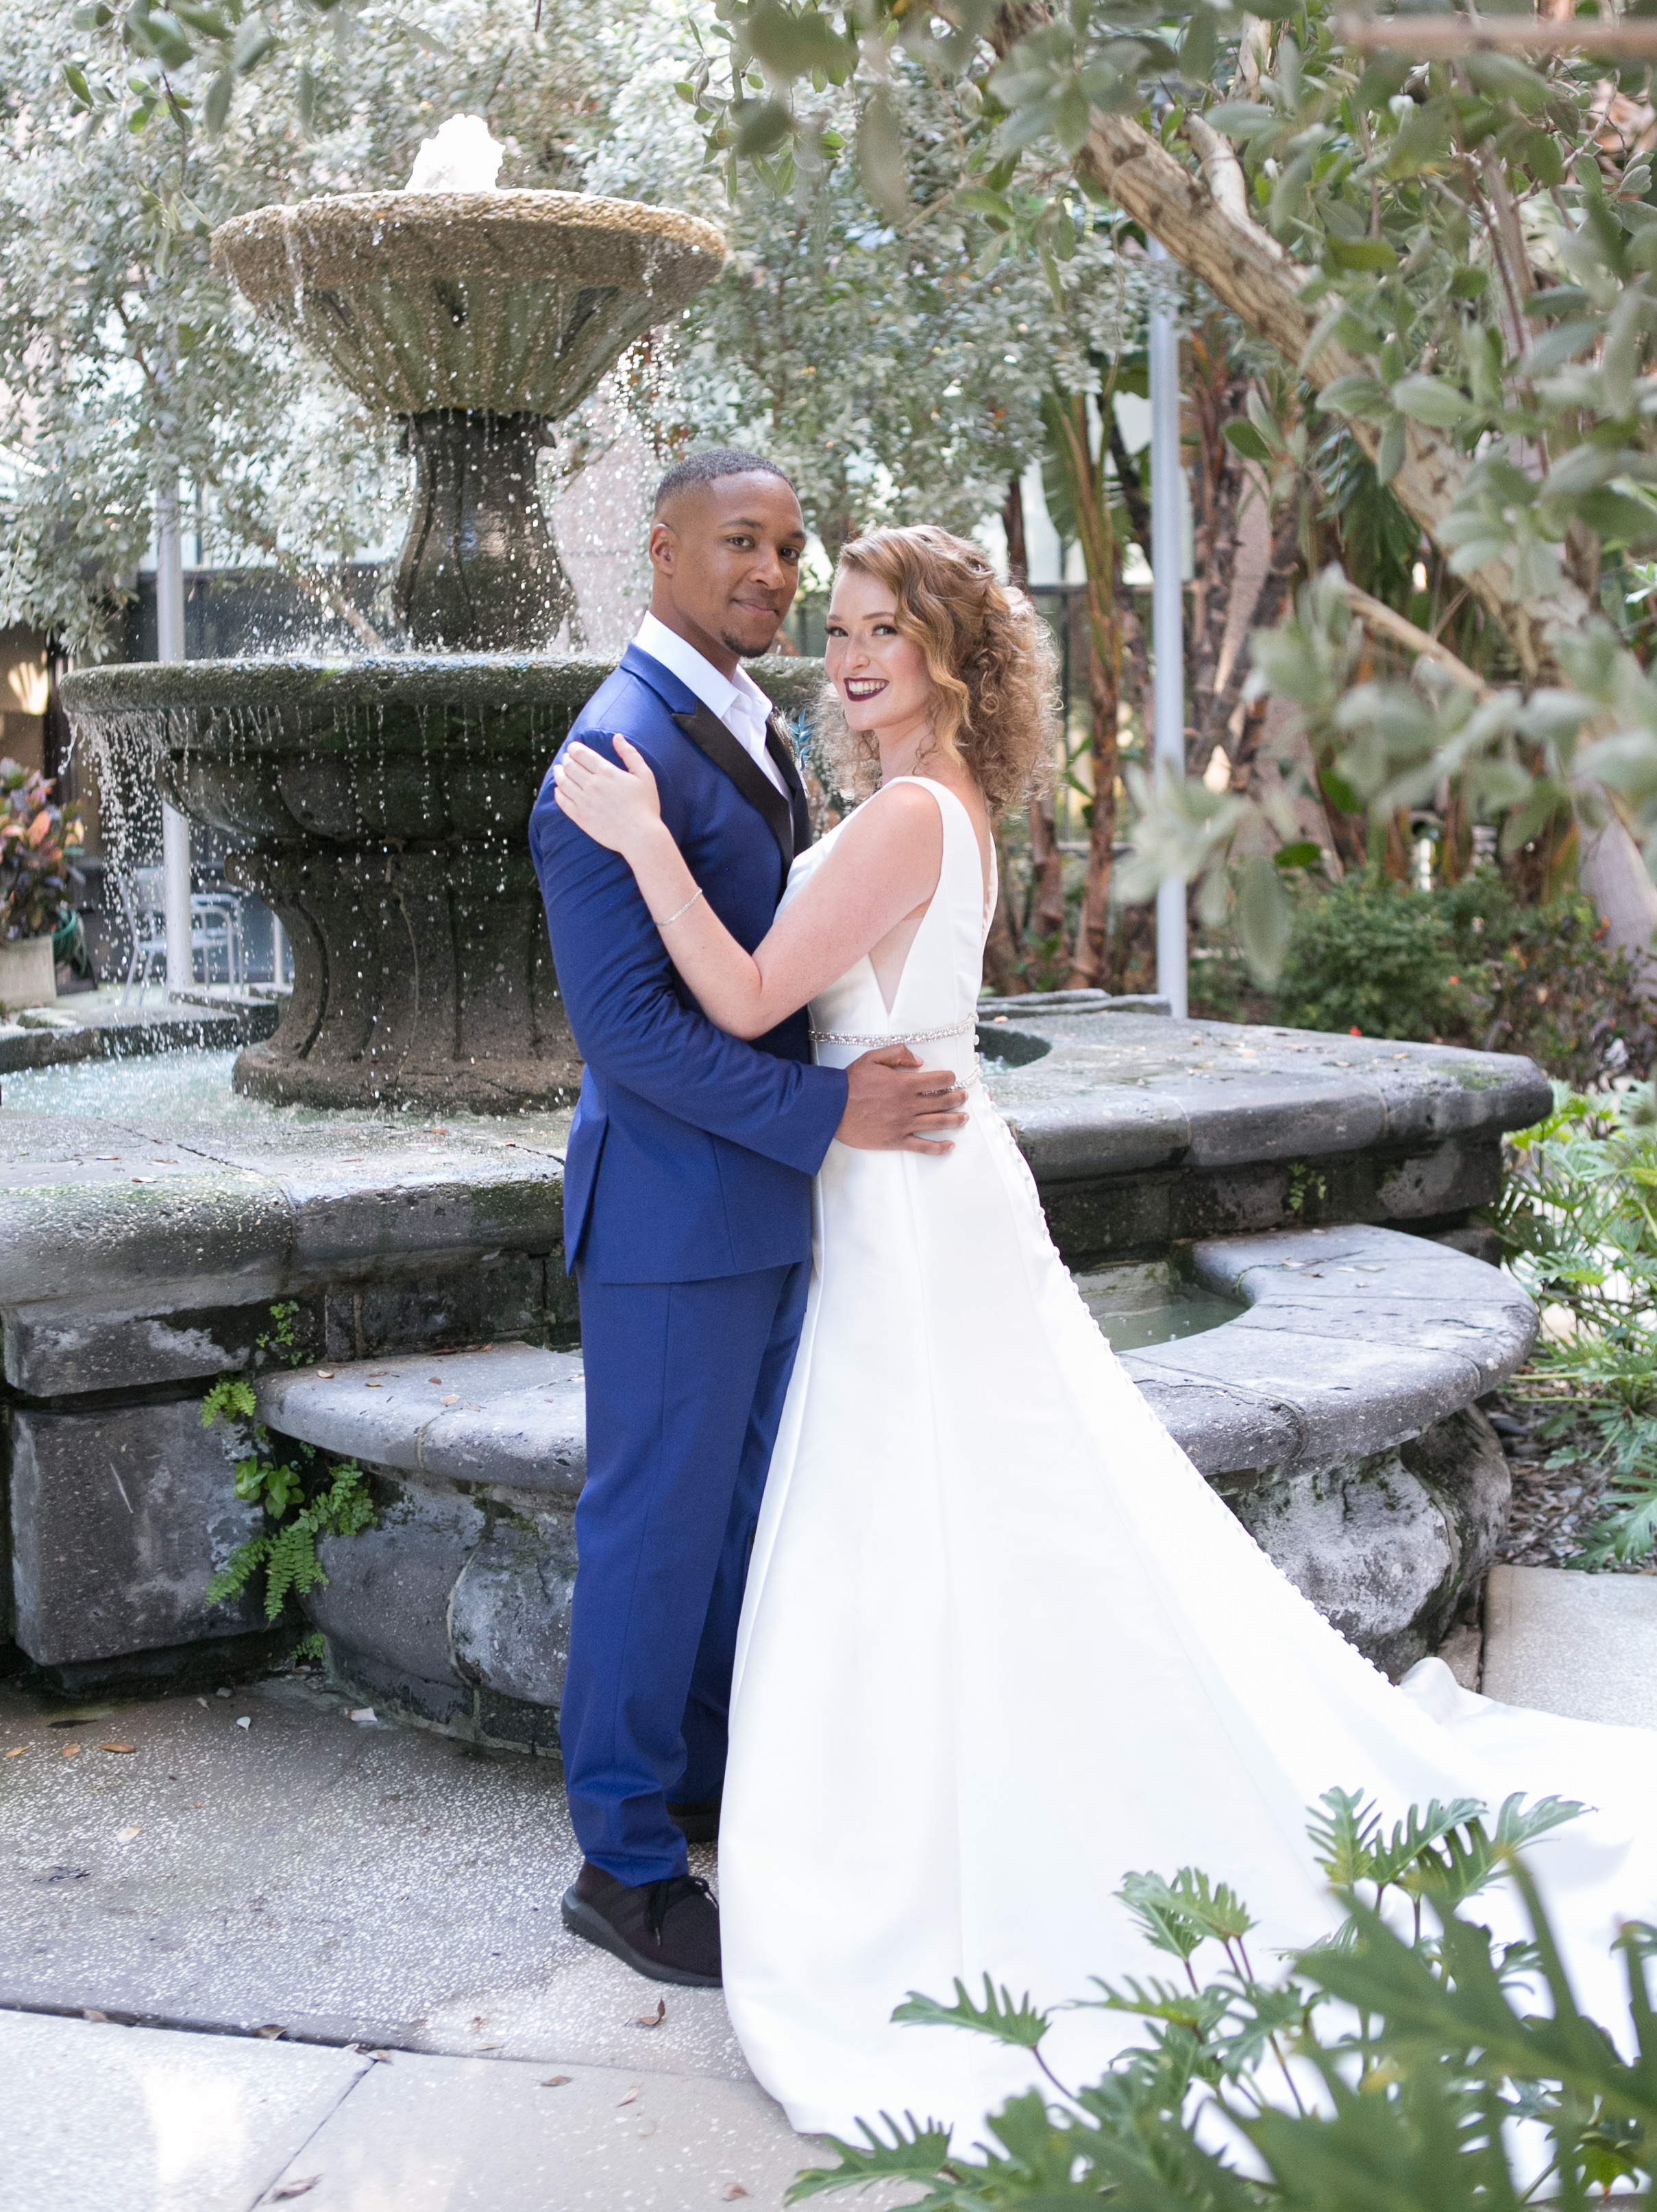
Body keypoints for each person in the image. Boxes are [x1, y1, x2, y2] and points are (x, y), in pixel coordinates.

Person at [554, 518, 1657, 2143]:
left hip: (908, 1207)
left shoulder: (903, 815)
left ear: (948, 656)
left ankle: (955, 1825)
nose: (848, 653)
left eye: (884, 630)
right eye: (841, 626)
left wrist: (645, 837)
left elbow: (734, 996)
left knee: (922, 1502)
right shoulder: (937, 805)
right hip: (917, 1177)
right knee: (996, 1502)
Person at [528, 452, 968, 1994]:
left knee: (733, 1530)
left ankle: (705, 1781)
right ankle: (623, 1863)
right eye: (741, 543)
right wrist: (826, 1114)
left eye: (790, 548)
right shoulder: (608, 755)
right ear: (658, 550)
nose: (775, 575)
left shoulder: (750, 720)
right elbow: (634, 1037)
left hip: (772, 1213)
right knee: (650, 1535)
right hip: (670, 1218)